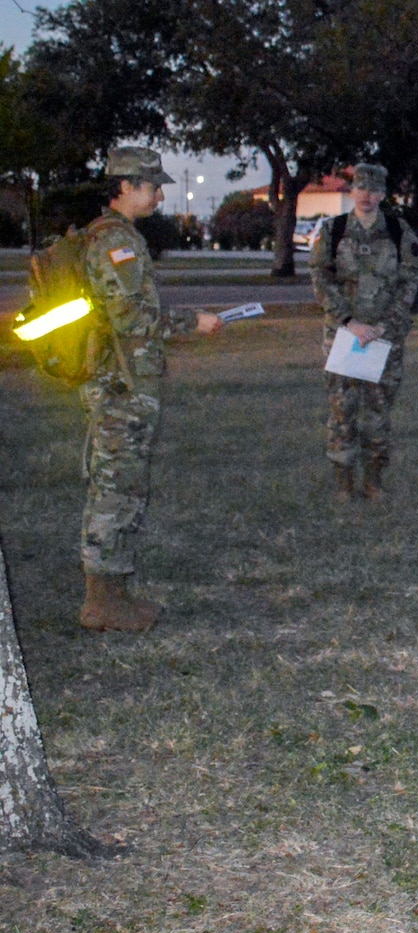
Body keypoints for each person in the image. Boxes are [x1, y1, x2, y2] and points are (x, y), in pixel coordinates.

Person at [76, 147, 224, 631]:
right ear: (123, 187)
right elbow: (131, 317)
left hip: (121, 380)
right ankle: (103, 601)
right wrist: (192, 321)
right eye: (150, 185)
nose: (159, 194)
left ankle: (112, 593)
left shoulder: (113, 237)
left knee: (121, 484)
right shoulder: (115, 242)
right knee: (117, 488)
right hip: (120, 384)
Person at [310, 163, 418, 500]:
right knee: (342, 411)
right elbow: (320, 277)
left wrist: (383, 326)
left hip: (384, 337)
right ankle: (344, 484)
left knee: (377, 412)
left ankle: (374, 481)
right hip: (344, 336)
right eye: (361, 188)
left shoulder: (400, 233)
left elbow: (409, 284)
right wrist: (349, 321)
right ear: (352, 190)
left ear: (383, 194)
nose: (367, 195)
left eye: (374, 190)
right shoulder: (334, 231)